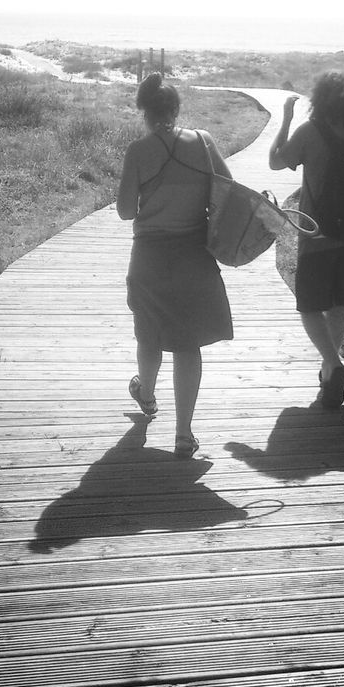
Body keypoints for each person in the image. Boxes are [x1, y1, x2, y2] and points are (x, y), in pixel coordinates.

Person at [117, 73, 234, 457]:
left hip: (150, 256)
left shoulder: (138, 151)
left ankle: (147, 397)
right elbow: (228, 190)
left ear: (145, 112)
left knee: (148, 334)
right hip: (194, 256)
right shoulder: (203, 142)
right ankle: (184, 433)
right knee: (188, 345)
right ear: (176, 108)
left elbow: (124, 211)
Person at [268, 71, 344, 409]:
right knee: (337, 304)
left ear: (320, 99)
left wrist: (286, 119)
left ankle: (332, 364)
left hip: (318, 236)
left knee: (308, 306)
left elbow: (275, 161)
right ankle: (328, 372)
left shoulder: (311, 131)